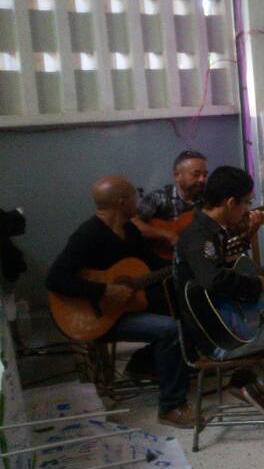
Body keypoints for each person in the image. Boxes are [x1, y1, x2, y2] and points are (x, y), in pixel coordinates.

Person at [174, 167, 264, 417]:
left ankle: (248, 379)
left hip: (227, 328)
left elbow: (233, 274)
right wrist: (258, 285)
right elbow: (214, 280)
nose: (247, 210)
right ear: (230, 202)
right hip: (220, 341)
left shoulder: (210, 230)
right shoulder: (200, 237)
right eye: (246, 203)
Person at [47, 177, 193, 428]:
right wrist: (104, 290)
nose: (138, 200)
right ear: (122, 202)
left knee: (185, 310)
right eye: (134, 196)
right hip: (98, 318)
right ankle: (171, 407)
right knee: (169, 329)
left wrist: (185, 264)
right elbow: (55, 279)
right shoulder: (88, 234)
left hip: (126, 308)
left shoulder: (130, 231)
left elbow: (153, 266)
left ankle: (144, 364)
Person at [133, 150, 209, 251]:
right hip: (162, 256)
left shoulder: (208, 201)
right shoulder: (159, 197)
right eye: (196, 174)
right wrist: (167, 235)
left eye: (205, 175)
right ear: (177, 175)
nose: (202, 179)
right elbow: (134, 223)